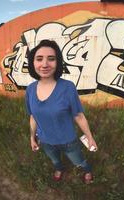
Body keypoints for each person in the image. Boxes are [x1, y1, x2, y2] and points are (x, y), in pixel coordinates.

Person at [25, 39, 98, 184]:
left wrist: (89, 137)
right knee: (55, 160)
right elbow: (33, 116)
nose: (45, 64)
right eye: (39, 59)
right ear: (33, 63)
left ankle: (87, 170)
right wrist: (32, 137)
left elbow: (78, 115)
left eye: (51, 59)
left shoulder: (67, 87)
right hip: (45, 141)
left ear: (57, 62)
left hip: (68, 141)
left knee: (79, 161)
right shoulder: (30, 90)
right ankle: (59, 168)